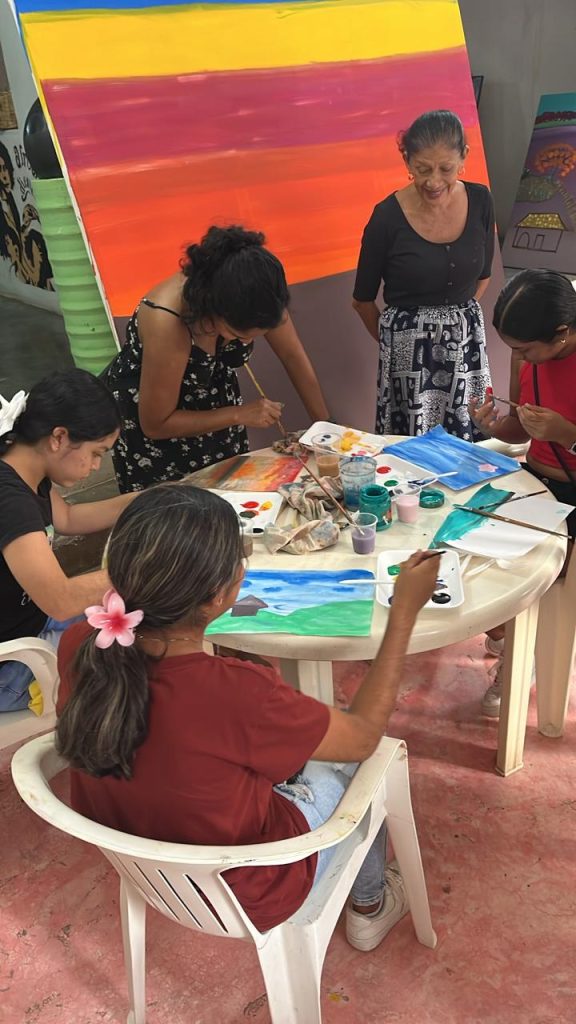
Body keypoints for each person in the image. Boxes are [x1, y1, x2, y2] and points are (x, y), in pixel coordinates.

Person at [56, 484, 439, 948]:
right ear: (220, 597)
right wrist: (403, 615)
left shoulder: (84, 642)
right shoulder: (235, 693)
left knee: (298, 740)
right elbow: (360, 738)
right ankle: (370, 905)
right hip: (251, 889)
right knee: (363, 761)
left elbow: (184, 725)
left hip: (150, 867)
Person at [106, 224, 329, 493]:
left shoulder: (260, 294)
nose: (245, 343)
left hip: (219, 416)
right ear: (212, 309)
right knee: (178, 518)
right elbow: (156, 424)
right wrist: (238, 414)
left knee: (230, 505)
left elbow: (292, 356)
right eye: (237, 335)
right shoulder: (168, 320)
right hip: (160, 431)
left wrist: (326, 432)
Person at [469, 268, 576, 716]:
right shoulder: (530, 357)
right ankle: (510, 639)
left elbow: (555, 431)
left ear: (563, 333)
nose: (521, 358)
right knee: (474, 551)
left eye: (526, 349)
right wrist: (494, 424)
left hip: (570, 494)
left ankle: (524, 656)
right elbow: (521, 427)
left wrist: (568, 432)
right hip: (534, 479)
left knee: (532, 579)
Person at [352, 109, 495, 440]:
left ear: (463, 158)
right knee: (414, 449)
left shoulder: (480, 200)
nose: (433, 181)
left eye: (445, 169)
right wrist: (403, 341)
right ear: (407, 161)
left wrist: (454, 326)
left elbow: (483, 276)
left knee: (470, 444)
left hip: (466, 345)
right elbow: (362, 301)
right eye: (421, 169)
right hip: (408, 356)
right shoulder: (386, 216)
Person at [0, 369, 135, 712]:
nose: (95, 466)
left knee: (131, 618)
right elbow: (60, 600)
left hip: (30, 623)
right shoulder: (9, 498)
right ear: (59, 437)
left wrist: (147, 499)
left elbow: (69, 519)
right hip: (14, 665)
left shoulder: (26, 466)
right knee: (137, 647)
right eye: (96, 452)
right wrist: (150, 567)